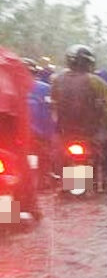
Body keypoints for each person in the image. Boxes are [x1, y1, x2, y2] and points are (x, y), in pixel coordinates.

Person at [50, 45, 107, 188]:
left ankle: (59, 178)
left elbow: (53, 105)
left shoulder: (57, 80)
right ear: (88, 63)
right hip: (92, 134)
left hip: (65, 133)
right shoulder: (96, 81)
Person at [0, 48, 40, 219]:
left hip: (9, 123)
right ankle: (26, 206)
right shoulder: (12, 63)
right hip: (9, 124)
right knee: (19, 162)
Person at [23, 58, 56, 187]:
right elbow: (51, 114)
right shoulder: (45, 88)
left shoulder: (7, 86)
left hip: (16, 138)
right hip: (40, 137)